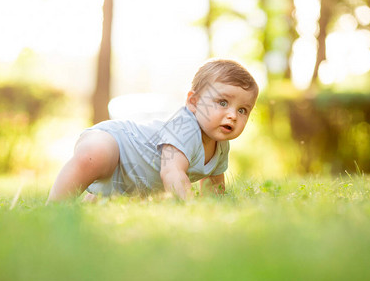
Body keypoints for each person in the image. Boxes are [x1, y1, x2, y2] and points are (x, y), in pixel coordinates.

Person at [47, 59, 259, 203]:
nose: (232, 115)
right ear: (193, 102)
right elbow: (171, 171)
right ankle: (54, 207)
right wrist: (189, 207)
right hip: (117, 141)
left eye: (242, 110)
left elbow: (214, 185)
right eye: (222, 102)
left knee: (105, 202)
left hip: (129, 179)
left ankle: (93, 199)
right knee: (95, 156)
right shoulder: (184, 127)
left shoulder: (221, 145)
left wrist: (215, 206)